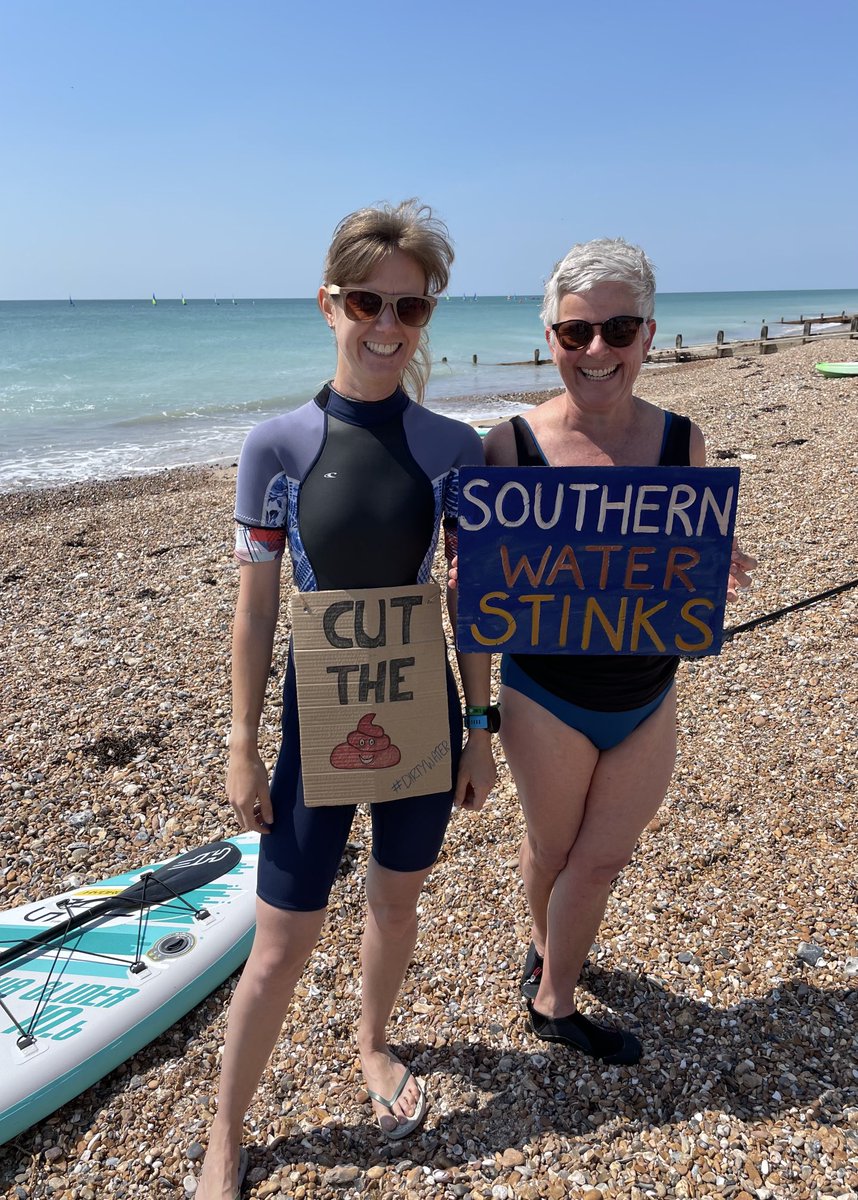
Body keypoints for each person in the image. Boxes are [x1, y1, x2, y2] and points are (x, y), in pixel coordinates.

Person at [197, 200, 496, 1200]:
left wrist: (480, 728)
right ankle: (226, 1131)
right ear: (328, 303)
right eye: (368, 301)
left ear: (427, 318)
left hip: (423, 716)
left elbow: (471, 601)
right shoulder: (276, 447)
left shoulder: (456, 447)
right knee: (281, 939)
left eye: (411, 307)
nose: (387, 325)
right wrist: (242, 744)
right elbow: (254, 613)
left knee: (395, 902)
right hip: (314, 720)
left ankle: (372, 1043)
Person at [481, 238, 756, 1065]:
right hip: (546, 695)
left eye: (619, 329)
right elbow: (488, 586)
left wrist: (713, 563)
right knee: (551, 850)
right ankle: (548, 963)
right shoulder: (509, 447)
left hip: (647, 695)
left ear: (649, 335)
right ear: (552, 340)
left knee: (599, 862)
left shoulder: (683, 442)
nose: (597, 349)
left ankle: (553, 992)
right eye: (576, 332)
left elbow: (677, 570)